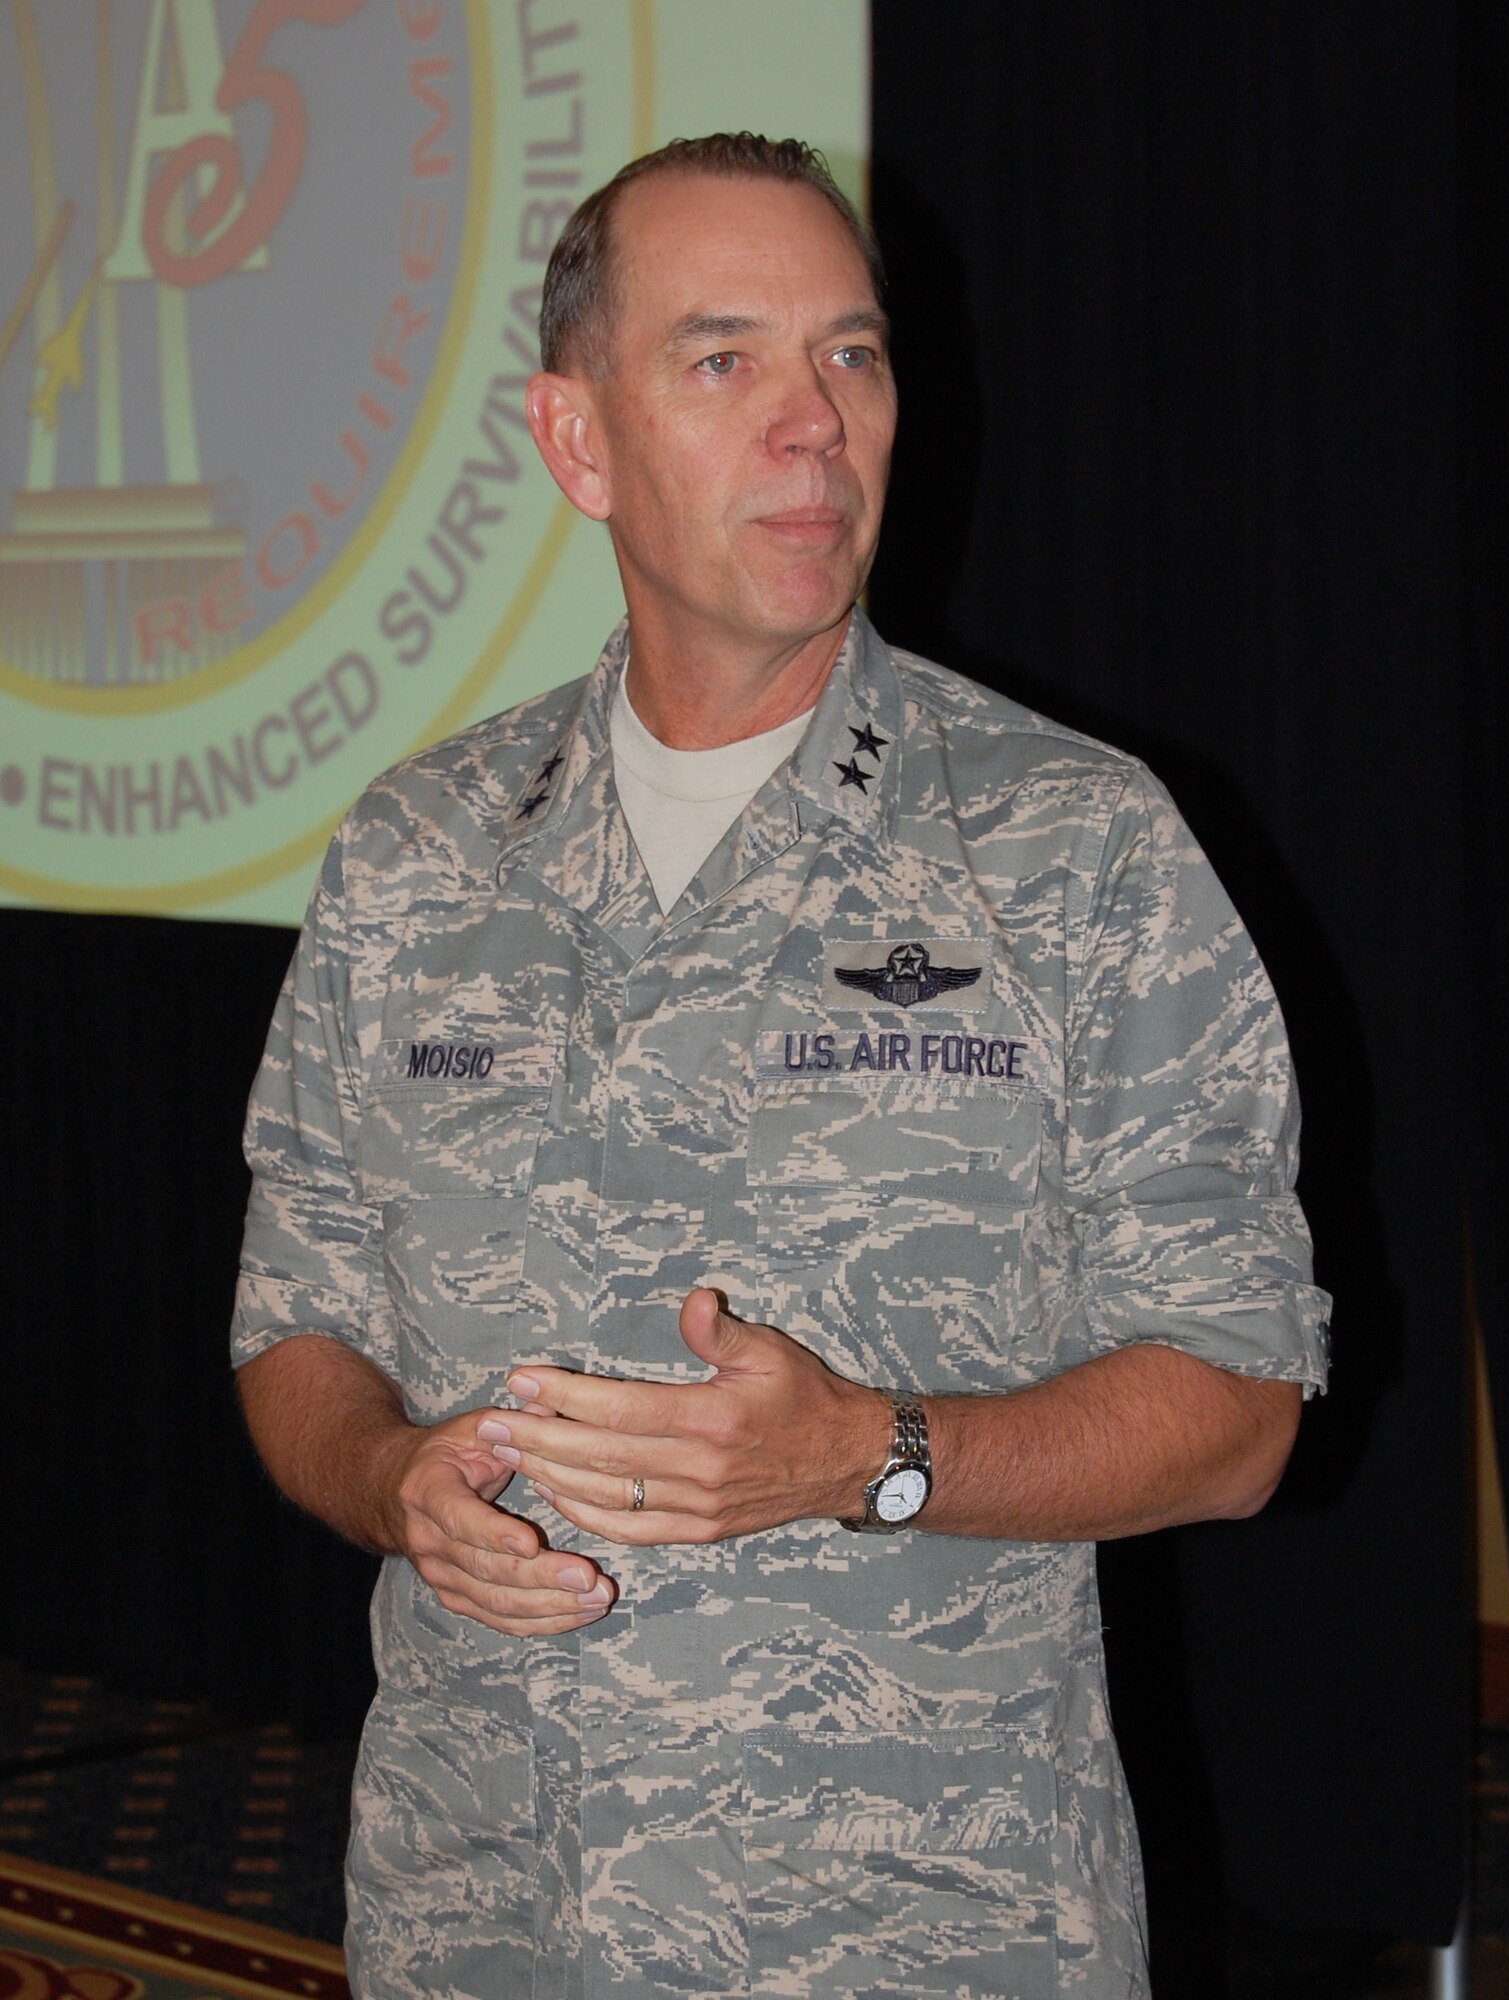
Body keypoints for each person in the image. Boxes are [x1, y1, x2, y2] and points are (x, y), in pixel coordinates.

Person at [233, 134, 1329, 2000]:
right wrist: (388, 1473)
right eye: (727, 358)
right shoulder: (417, 858)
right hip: (479, 1917)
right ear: (577, 441)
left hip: (919, 1940)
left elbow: (1240, 1411)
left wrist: (868, 1459)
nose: (816, 421)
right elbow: (293, 1334)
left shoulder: (1077, 852)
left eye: (858, 355)